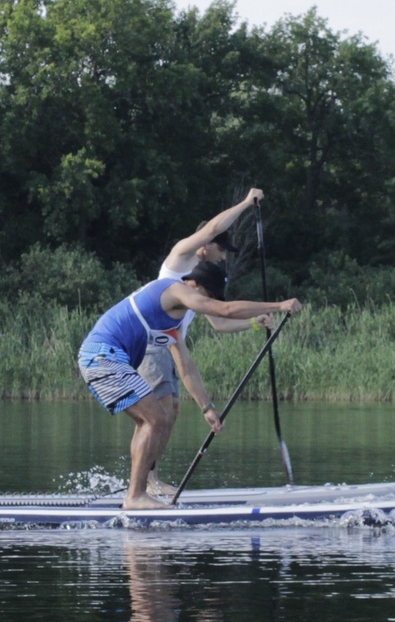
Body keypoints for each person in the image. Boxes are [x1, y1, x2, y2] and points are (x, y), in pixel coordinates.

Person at [79, 260, 300, 509]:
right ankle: (135, 495)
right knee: (157, 419)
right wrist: (280, 305)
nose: (206, 302)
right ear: (193, 283)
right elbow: (224, 311)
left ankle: (136, 492)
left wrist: (207, 408)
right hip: (103, 356)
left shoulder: (172, 323)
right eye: (207, 295)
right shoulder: (173, 288)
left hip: (106, 358)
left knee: (149, 421)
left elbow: (186, 367)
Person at [133, 188, 266, 462]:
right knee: (160, 410)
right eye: (221, 249)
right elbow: (214, 226)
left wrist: (254, 322)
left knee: (171, 411)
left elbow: (219, 322)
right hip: (150, 342)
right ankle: (145, 483)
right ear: (205, 245)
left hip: (170, 343)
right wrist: (244, 203)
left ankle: (148, 478)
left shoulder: (202, 278)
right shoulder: (181, 257)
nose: (224, 257)